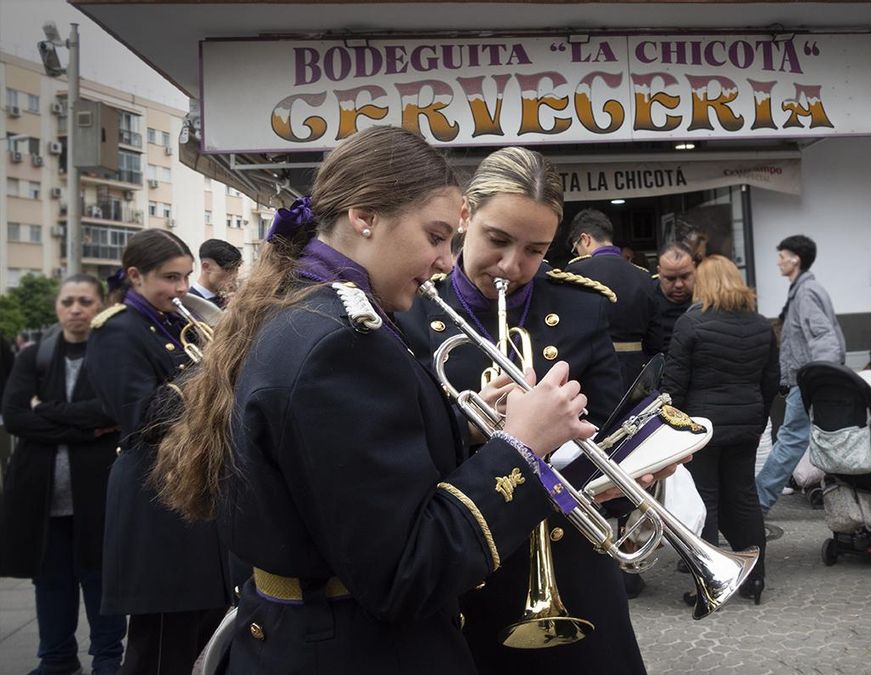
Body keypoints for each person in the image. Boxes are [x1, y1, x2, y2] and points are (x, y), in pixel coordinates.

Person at [152, 127, 593, 671]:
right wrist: (521, 448)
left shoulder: (305, 306)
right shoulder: (341, 342)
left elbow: (346, 471)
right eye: (436, 236)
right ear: (365, 216)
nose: (446, 261)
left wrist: (470, 425)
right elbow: (407, 573)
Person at [397, 146, 657, 675]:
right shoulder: (412, 310)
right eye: (497, 240)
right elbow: (398, 454)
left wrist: (635, 467)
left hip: (571, 561)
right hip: (469, 563)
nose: (512, 266)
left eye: (535, 250)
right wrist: (475, 430)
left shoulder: (580, 306)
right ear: (465, 215)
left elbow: (607, 430)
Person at [86, 229, 232, 674]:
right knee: (162, 646)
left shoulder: (174, 321)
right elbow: (142, 416)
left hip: (192, 492)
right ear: (135, 276)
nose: (182, 288)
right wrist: (214, 365)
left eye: (186, 277)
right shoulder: (116, 331)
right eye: (170, 278)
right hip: (155, 500)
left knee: (202, 632)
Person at [0, 274, 125, 675]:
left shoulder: (112, 355)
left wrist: (45, 410)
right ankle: (56, 658)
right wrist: (85, 429)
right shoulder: (33, 357)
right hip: (42, 495)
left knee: (100, 579)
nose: (75, 310)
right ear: (57, 307)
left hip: (97, 492)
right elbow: (15, 417)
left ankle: (107, 657)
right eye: (68, 301)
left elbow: (110, 411)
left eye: (84, 301)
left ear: (100, 305)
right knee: (51, 581)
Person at [662, 255, 778, 605]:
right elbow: (770, 380)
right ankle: (755, 578)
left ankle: (708, 584)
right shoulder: (761, 325)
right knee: (744, 498)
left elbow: (675, 383)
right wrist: (757, 419)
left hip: (702, 427)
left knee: (705, 501)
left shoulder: (690, 323)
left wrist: (672, 425)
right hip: (746, 425)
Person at [756, 234, 845, 514]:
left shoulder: (806, 293)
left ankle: (757, 502)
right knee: (804, 439)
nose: (779, 262)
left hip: (806, 383)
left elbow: (824, 339)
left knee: (791, 440)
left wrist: (818, 382)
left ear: (796, 259)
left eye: (782, 256)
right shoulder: (802, 290)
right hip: (804, 381)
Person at [565, 209, 656, 390]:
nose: (578, 254)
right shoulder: (643, 276)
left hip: (592, 369)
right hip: (637, 370)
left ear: (585, 239)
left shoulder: (577, 271)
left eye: (576, 249)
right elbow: (655, 336)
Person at [643, 241, 696, 356]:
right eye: (670, 279)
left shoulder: (708, 295)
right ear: (659, 272)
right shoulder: (647, 297)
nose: (679, 285)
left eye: (685, 277)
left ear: (694, 268)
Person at [190, 238, 243, 309]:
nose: (234, 275)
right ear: (206, 267)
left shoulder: (228, 301)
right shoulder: (187, 302)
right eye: (227, 269)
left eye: (236, 269)